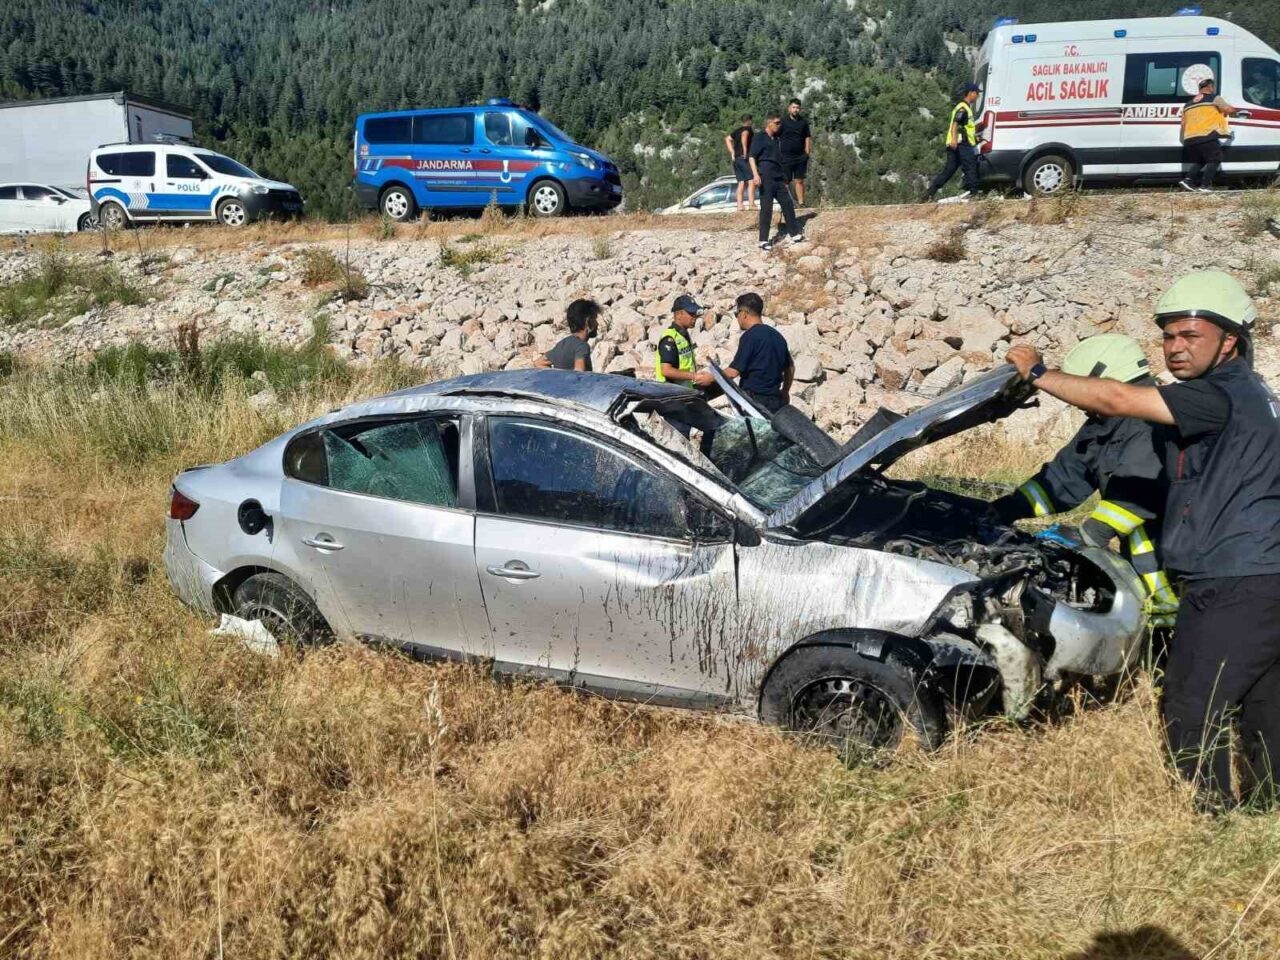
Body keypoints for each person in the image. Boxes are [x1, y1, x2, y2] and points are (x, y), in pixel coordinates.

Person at [1005, 270, 1280, 811]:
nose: (1175, 348)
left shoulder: (1215, 395)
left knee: (1188, 705)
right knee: (1262, 701)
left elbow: (1114, 397)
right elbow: (1067, 476)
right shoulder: (1252, 394)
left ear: (1231, 341)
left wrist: (1038, 372)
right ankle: (1263, 809)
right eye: (1168, 336)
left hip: (1232, 579)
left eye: (1191, 336)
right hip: (1262, 574)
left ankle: (1210, 821)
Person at [990, 334, 1177, 626]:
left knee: (1177, 625)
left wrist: (1090, 534)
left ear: (1104, 380)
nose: (1079, 402)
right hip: (1149, 559)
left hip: (1182, 558)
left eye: (1083, 390)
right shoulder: (1105, 423)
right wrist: (1004, 509)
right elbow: (1063, 480)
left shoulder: (1154, 421)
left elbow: (1139, 493)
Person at [723, 292, 794, 413]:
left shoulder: (749, 337)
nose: (737, 318)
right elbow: (790, 368)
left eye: (737, 314)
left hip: (754, 402)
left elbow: (733, 372)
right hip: (776, 402)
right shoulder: (778, 336)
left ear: (744, 314)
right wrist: (785, 391)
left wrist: (711, 376)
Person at [749, 113, 805, 252]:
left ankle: (794, 233)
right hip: (765, 176)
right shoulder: (759, 137)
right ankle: (763, 240)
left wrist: (785, 177)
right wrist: (756, 175)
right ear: (769, 123)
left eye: (780, 123)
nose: (779, 125)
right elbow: (751, 157)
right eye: (777, 123)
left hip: (778, 176)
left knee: (787, 204)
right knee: (766, 208)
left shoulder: (776, 139)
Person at [923, 83, 986, 202]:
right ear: (971, 93)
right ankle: (974, 193)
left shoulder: (965, 108)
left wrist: (976, 139)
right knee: (970, 166)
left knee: (949, 170)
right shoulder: (963, 107)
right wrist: (953, 139)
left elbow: (966, 128)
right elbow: (956, 123)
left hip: (958, 144)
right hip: (961, 144)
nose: (977, 96)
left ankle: (929, 193)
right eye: (977, 93)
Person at [1180, 77, 1241, 193]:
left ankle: (1187, 180)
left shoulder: (1188, 104)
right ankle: (1205, 186)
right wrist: (1237, 111)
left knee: (1201, 160)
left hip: (1190, 138)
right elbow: (1228, 110)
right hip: (1206, 134)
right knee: (1215, 158)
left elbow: (1183, 123)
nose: (1213, 89)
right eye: (1212, 87)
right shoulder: (1214, 98)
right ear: (1209, 87)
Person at [655, 294, 714, 389]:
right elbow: (666, 370)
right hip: (670, 393)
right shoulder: (670, 338)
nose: (694, 317)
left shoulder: (683, 335)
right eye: (691, 313)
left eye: (695, 313)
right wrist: (694, 376)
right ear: (678, 314)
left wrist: (696, 374)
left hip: (683, 391)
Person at [534, 298, 601, 371]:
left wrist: (556, 377)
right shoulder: (582, 347)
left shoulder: (562, 344)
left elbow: (539, 363)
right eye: (595, 319)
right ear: (588, 322)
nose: (597, 323)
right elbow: (579, 373)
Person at [778, 98, 812, 206]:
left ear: (800, 109)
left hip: (800, 157)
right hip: (786, 157)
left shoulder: (803, 122)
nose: (795, 110)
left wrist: (807, 152)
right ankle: (788, 203)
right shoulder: (782, 122)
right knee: (786, 181)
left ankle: (801, 203)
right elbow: (775, 136)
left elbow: (807, 137)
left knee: (799, 181)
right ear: (789, 108)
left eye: (797, 108)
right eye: (793, 107)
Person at [725, 114, 756, 212]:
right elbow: (745, 135)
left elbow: (727, 139)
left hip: (736, 159)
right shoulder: (748, 129)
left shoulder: (737, 130)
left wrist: (732, 152)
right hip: (743, 157)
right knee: (751, 180)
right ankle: (751, 204)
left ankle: (739, 205)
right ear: (750, 121)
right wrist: (745, 151)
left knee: (741, 182)